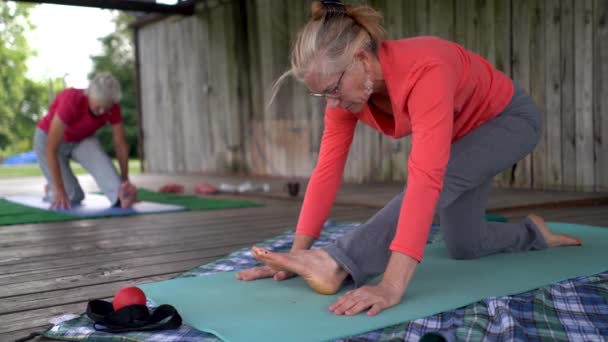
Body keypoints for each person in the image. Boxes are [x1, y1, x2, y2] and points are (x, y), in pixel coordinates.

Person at [236, 0, 583, 316]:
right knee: (466, 245)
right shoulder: (346, 94)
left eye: (332, 89)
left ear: (360, 59)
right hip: (461, 136)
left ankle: (336, 262)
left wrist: (391, 284)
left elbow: (427, 180)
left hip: (509, 121)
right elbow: (326, 172)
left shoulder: (426, 69)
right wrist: (296, 256)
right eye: (320, 94)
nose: (332, 101)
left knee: (439, 177)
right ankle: (533, 233)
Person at [34, 72, 137, 210]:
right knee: (71, 197)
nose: (102, 112)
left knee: (118, 191)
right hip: (48, 140)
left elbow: (120, 144)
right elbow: (51, 148)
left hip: (82, 139)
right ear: (89, 95)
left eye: (106, 108)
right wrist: (59, 190)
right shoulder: (71, 100)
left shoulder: (112, 106)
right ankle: (52, 188)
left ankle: (57, 182)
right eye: (98, 107)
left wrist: (125, 181)